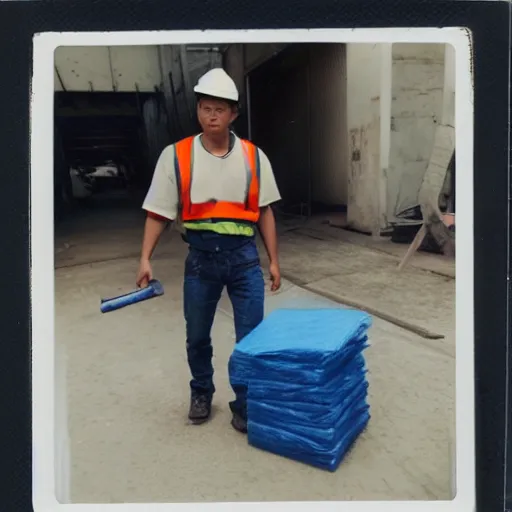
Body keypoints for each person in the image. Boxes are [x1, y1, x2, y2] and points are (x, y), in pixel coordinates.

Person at [136, 68, 282, 433]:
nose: (211, 115)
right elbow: (158, 212)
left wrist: (275, 261)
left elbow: (264, 211)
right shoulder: (176, 156)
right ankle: (201, 391)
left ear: (233, 114)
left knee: (251, 338)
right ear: (198, 111)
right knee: (197, 335)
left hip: (244, 259)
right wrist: (145, 258)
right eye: (205, 108)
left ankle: (245, 402)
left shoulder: (253, 156)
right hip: (201, 260)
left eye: (219, 109)